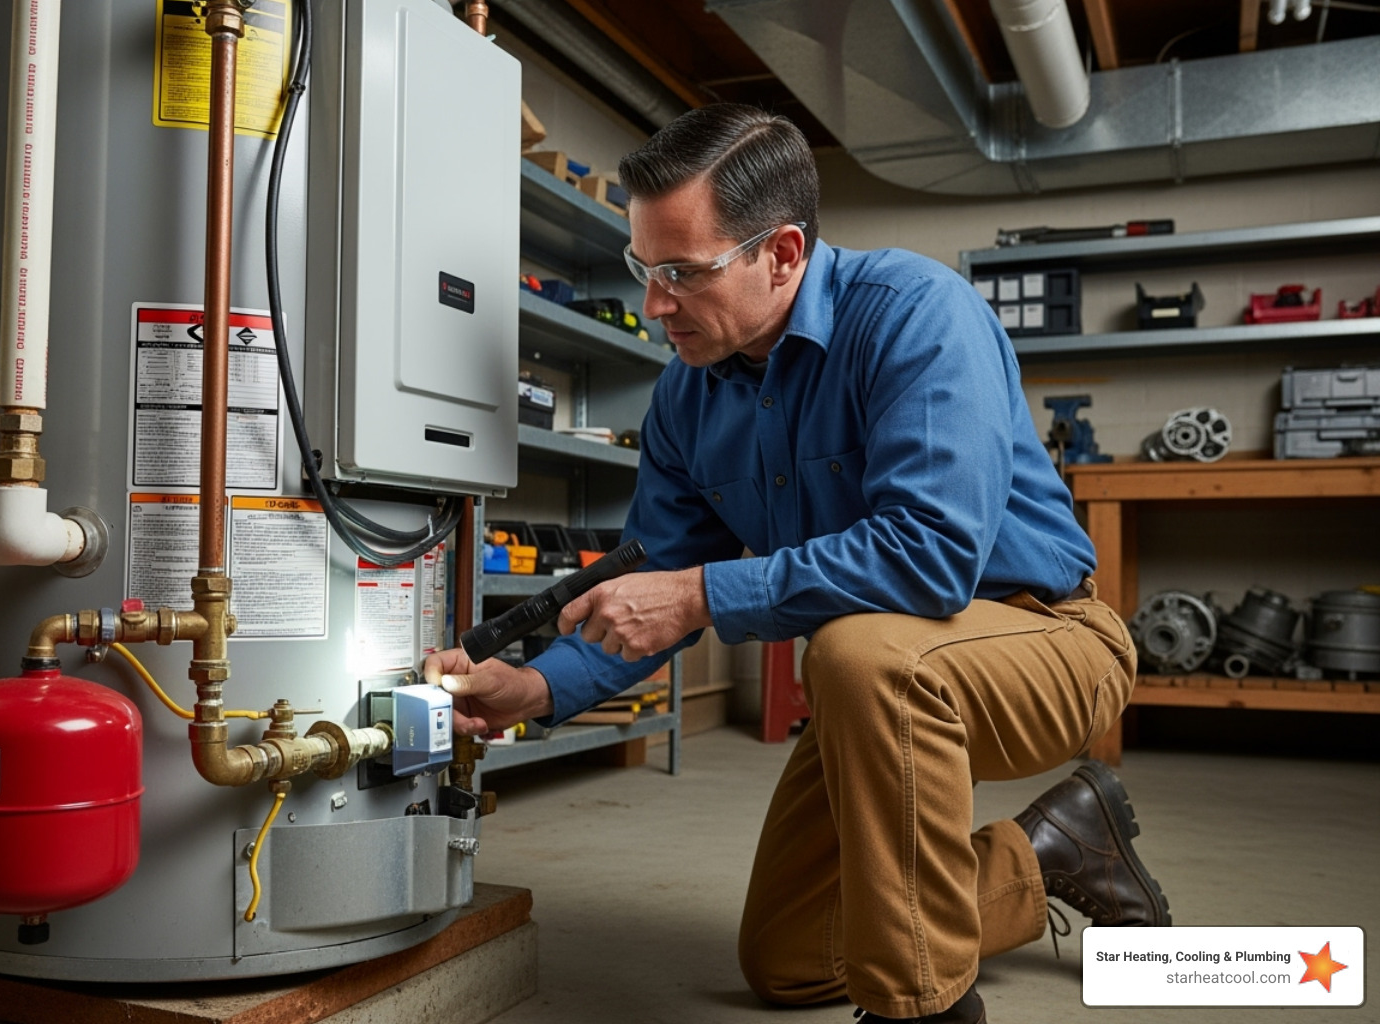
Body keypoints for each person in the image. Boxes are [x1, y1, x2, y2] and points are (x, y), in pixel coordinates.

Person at [423, 103, 1169, 1023]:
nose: (655, 303)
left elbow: (930, 558)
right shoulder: (684, 400)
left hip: (1044, 639)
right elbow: (652, 591)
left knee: (853, 654)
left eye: (681, 273)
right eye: (641, 268)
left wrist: (700, 594)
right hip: (882, 686)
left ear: (780, 254)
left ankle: (925, 1010)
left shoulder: (916, 316)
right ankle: (1052, 851)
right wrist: (534, 688)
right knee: (790, 957)